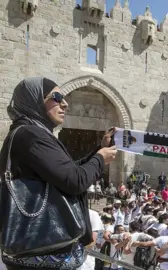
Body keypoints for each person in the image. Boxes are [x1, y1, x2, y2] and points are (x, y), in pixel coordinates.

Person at [0, 77, 117, 269]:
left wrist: (98, 151)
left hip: (39, 253)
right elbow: (74, 180)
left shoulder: (29, 132)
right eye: (56, 97)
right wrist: (100, 159)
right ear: (35, 98)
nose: (65, 103)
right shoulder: (31, 135)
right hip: (44, 252)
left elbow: (66, 171)